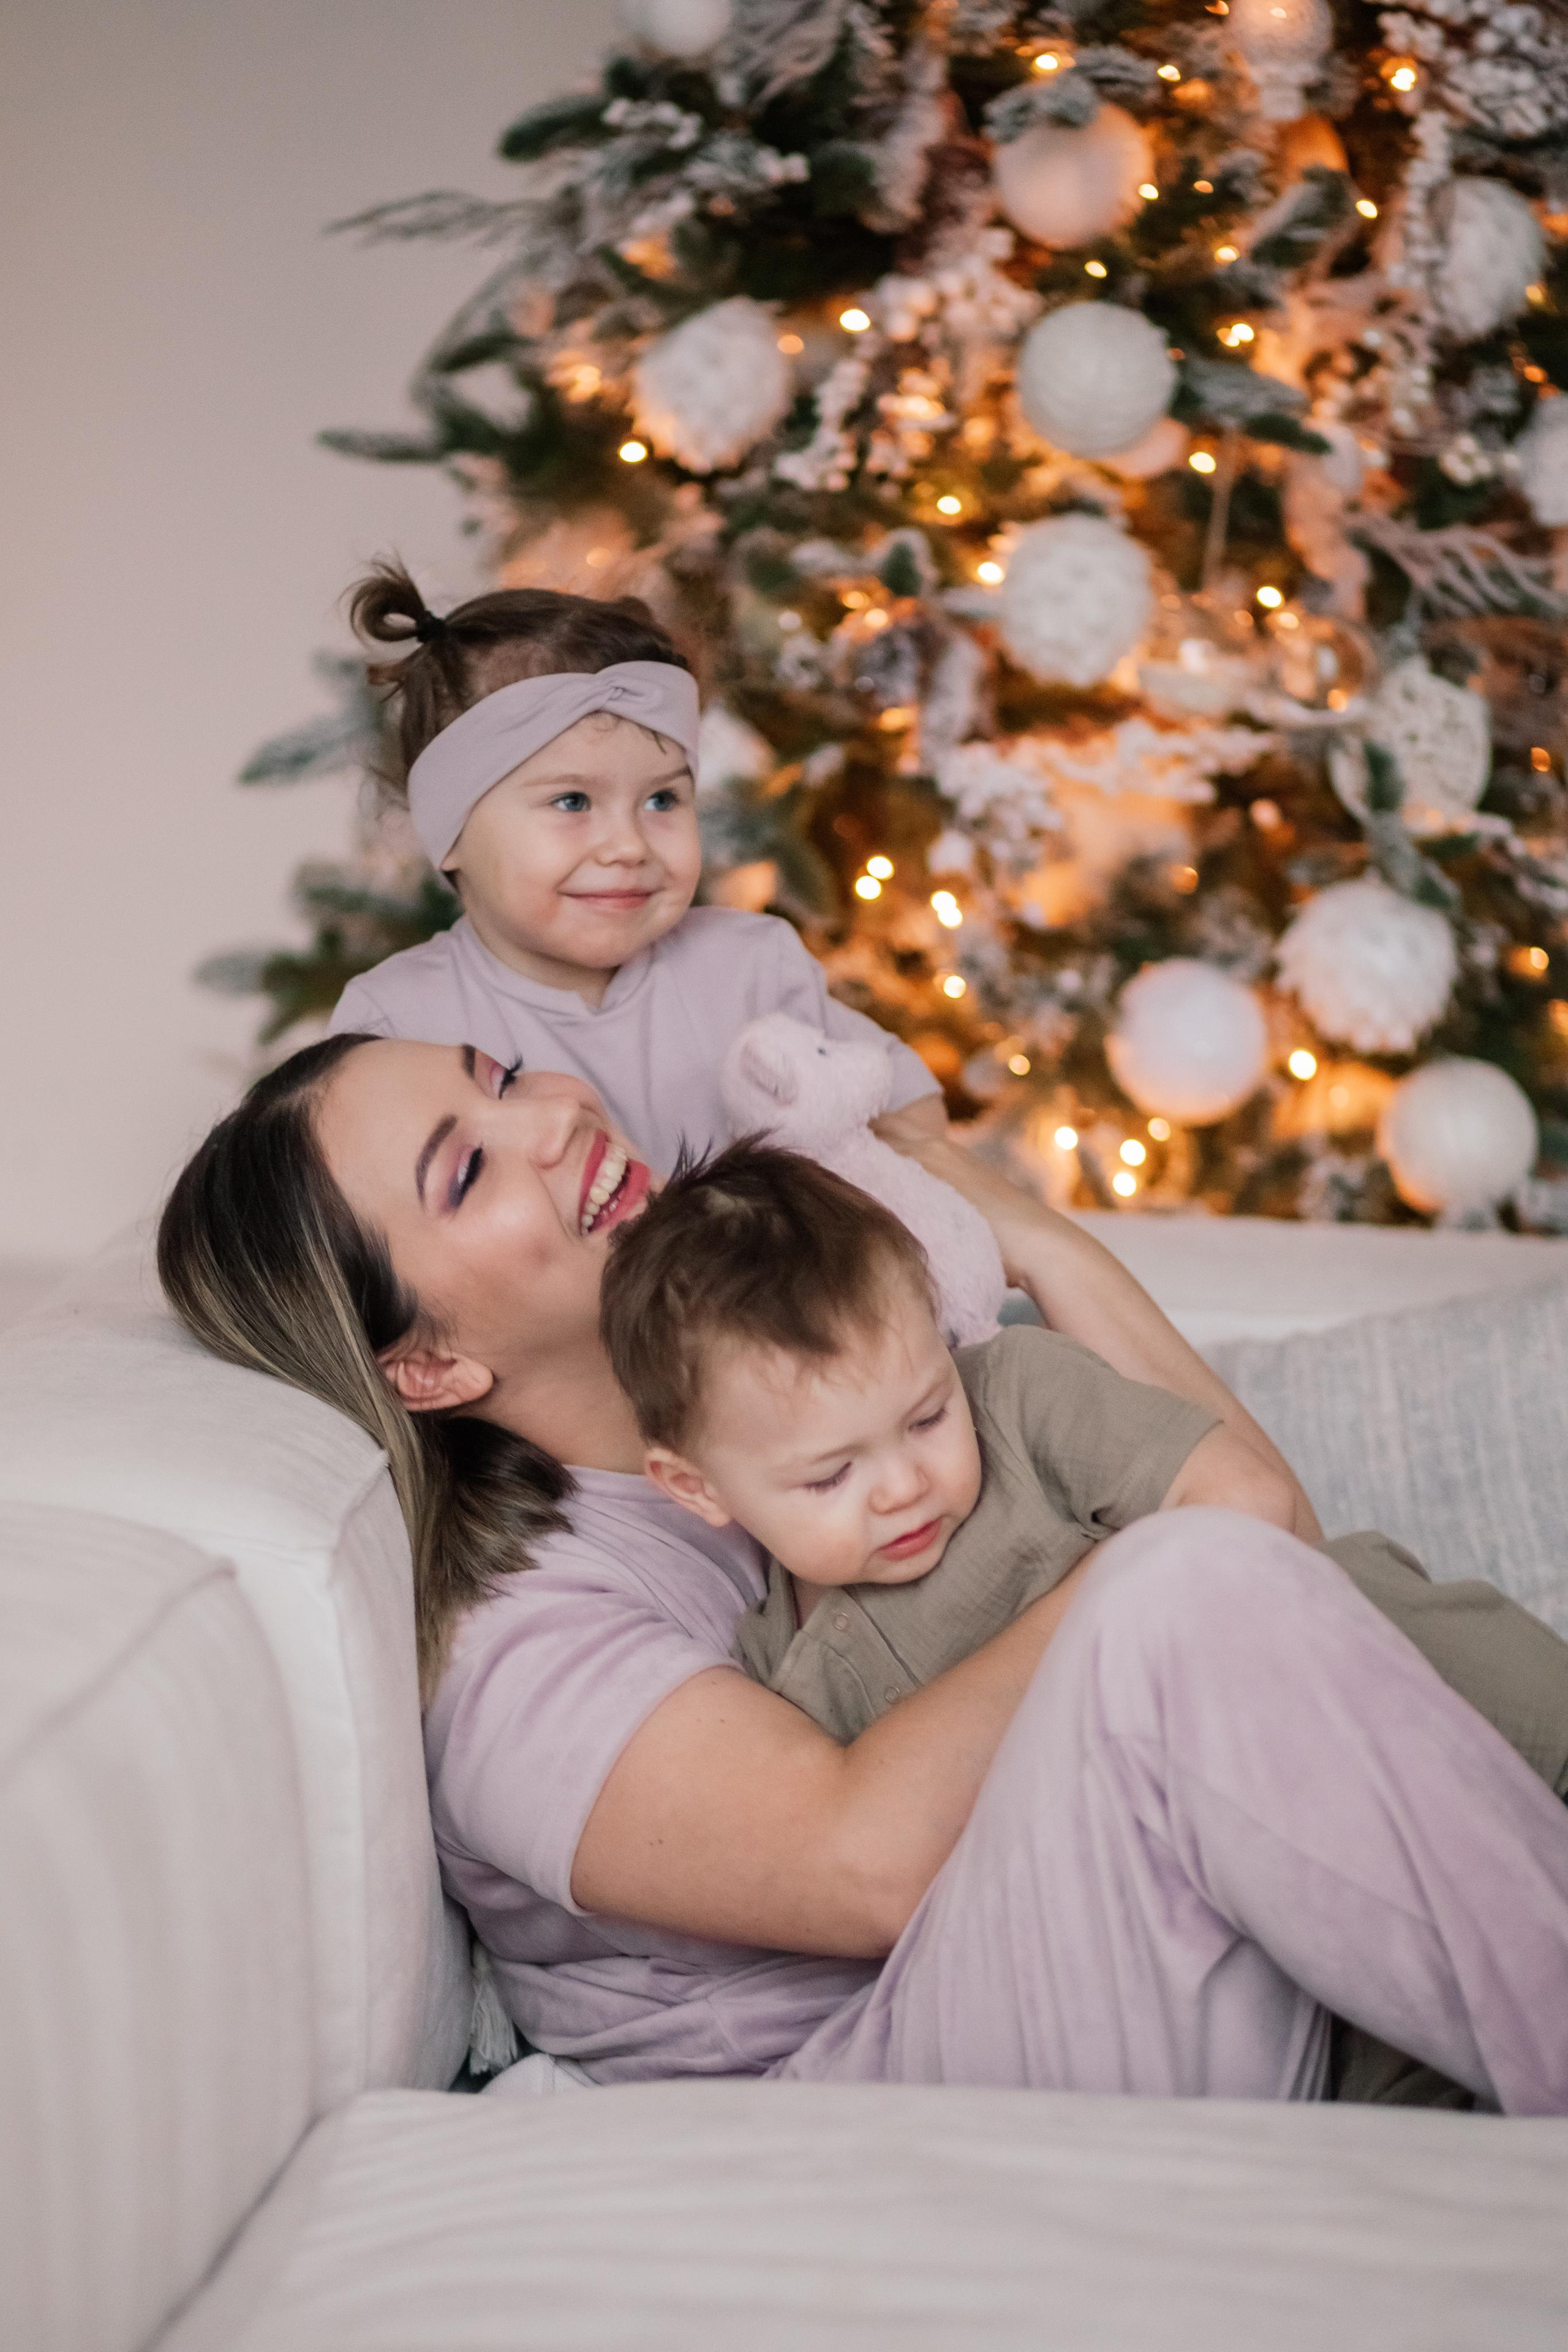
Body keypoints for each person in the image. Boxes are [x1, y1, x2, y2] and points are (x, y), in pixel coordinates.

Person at [156, 1033, 1568, 2113]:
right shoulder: (516, 1646)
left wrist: (1020, 1232)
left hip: (1125, 1961)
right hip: (884, 2097)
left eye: (509, 1072)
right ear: (427, 1362)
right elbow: (866, 1860)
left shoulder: (778, 1390)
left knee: (1210, 1590)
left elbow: (1265, 1533)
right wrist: (1156, 1575)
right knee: (1177, 1595)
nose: (554, 1118)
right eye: (466, 1169)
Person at [601, 1140, 1568, 1792]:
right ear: (697, 1487)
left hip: (1417, 1677)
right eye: (828, 1477)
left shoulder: (1015, 1395)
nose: (904, 1485)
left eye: (926, 1415)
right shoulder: (789, 1684)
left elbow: (1248, 1502)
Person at [327, 565, 943, 1173]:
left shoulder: (752, 968)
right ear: (451, 832)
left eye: (662, 800)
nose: (628, 846)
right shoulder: (400, 1023)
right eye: (572, 802)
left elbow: (906, 1113)